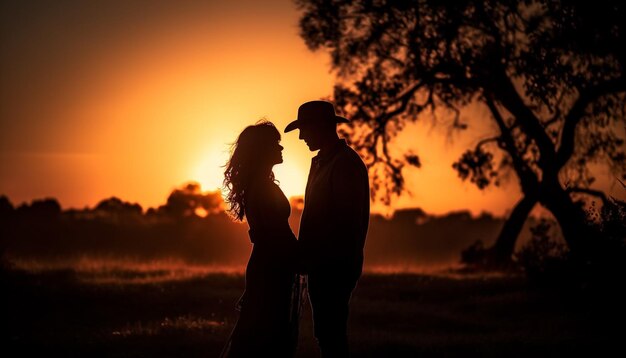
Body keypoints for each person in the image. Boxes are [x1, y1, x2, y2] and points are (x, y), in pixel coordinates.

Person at [285, 100, 370, 357]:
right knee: (327, 334)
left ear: (321, 127)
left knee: (330, 336)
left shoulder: (344, 164)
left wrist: (317, 259)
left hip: (334, 266)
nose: (300, 137)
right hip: (323, 265)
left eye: (304, 129)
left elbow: (347, 224)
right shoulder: (325, 161)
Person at [221, 120, 303, 358]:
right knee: (266, 335)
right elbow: (274, 235)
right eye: (276, 144)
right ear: (262, 149)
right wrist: (299, 257)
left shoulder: (260, 184)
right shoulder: (262, 188)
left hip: (270, 264)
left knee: (264, 332)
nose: (282, 148)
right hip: (271, 266)